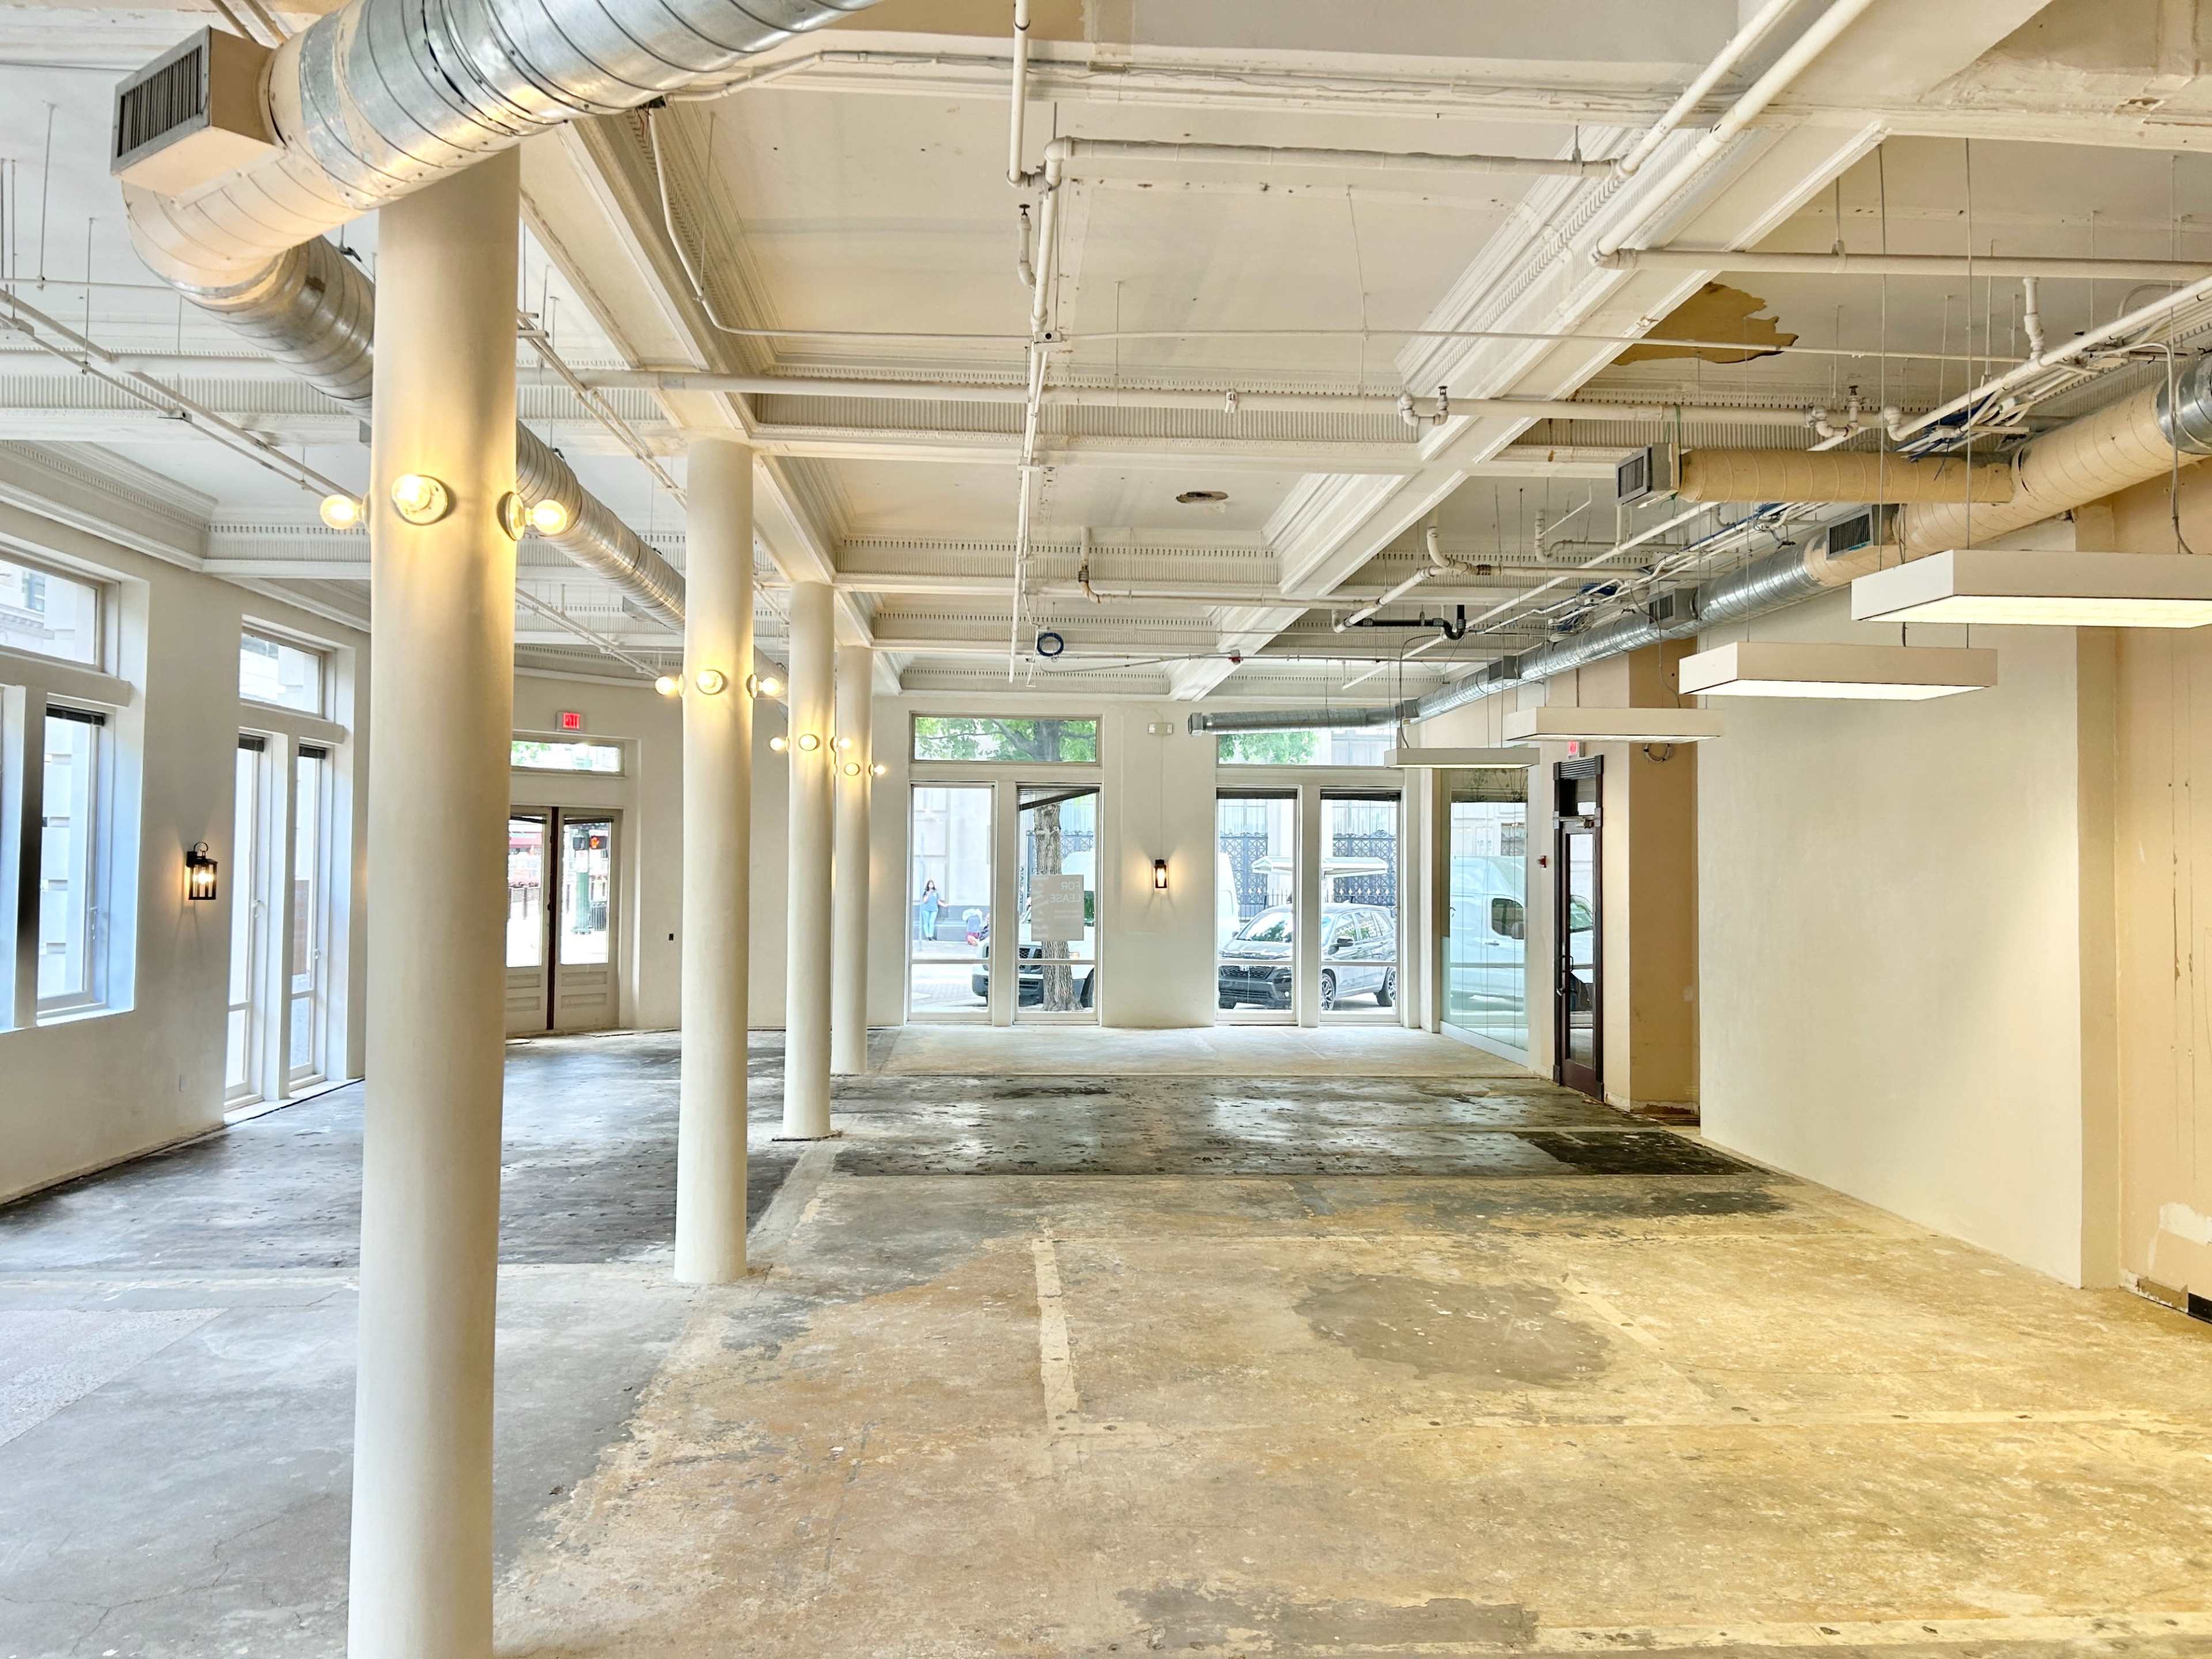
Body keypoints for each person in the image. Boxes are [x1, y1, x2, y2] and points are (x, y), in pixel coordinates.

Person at [917, 878, 942, 944]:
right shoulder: (925, 893)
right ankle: (927, 936)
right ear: (928, 885)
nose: (931, 885)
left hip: (934, 909)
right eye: (930, 884)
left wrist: (944, 905)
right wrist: (928, 894)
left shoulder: (936, 893)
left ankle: (931, 936)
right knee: (926, 922)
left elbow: (938, 901)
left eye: (932, 884)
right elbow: (925, 901)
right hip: (926, 909)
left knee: (932, 922)